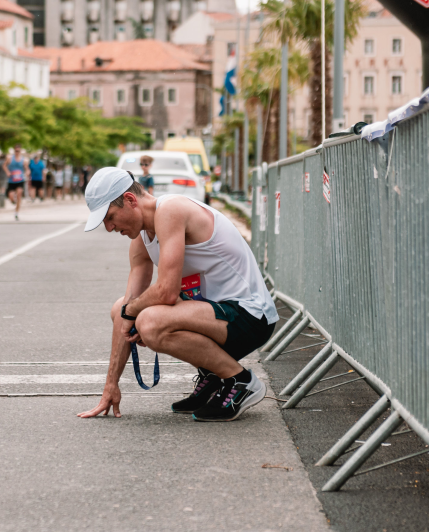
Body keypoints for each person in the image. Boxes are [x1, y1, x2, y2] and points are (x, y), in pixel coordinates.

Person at [77, 167, 278, 422]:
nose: (108, 228)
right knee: (121, 308)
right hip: (213, 316)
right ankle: (212, 377)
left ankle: (240, 380)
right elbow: (126, 310)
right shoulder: (142, 237)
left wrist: (134, 313)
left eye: (109, 217)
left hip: (250, 316)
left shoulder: (171, 210)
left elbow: (167, 291)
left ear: (130, 200)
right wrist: (110, 386)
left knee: (150, 321)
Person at [4, 146, 26, 220]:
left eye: (18, 151)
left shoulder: (24, 160)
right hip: (11, 180)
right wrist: (7, 172)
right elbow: (4, 165)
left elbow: (27, 169)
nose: (17, 152)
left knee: (19, 194)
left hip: (20, 180)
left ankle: (16, 212)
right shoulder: (10, 158)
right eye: (16, 151)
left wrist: (27, 173)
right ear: (14, 151)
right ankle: (13, 201)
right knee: (11, 196)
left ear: (20, 151)